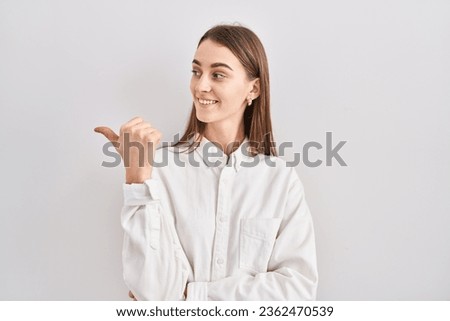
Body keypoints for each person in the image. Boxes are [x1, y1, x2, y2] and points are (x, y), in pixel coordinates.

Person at [95, 24, 318, 300]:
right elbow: (153, 291)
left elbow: (297, 291)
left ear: (254, 89)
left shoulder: (280, 180)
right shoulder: (158, 169)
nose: (201, 86)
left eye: (218, 74)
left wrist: (193, 296)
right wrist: (137, 179)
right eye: (196, 71)